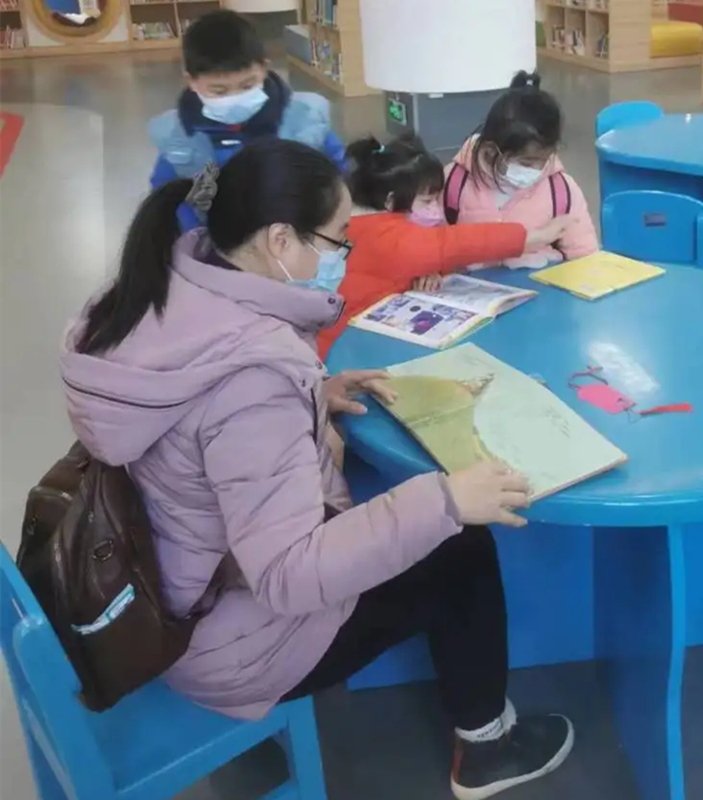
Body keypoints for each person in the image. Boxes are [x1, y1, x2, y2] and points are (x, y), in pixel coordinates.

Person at [60, 139, 574, 800]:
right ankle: (487, 748)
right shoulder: (252, 378)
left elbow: (200, 427)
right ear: (280, 240)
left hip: (164, 588)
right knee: (460, 546)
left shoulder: (168, 287)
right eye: (337, 241)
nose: (344, 256)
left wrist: (312, 394)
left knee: (428, 523)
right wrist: (445, 500)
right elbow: (287, 576)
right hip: (233, 642)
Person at [316, 133, 575, 357]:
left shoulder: (357, 222)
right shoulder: (386, 236)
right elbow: (454, 244)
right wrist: (532, 237)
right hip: (339, 353)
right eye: (427, 201)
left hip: (349, 340)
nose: (436, 210)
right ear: (391, 201)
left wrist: (428, 273)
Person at [148, 9, 346, 231]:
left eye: (247, 85)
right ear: (191, 81)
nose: (235, 98)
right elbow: (166, 197)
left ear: (264, 68)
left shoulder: (304, 118)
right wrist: (196, 236)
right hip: (213, 241)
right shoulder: (179, 136)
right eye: (219, 91)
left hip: (298, 237)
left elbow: (339, 173)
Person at [445, 71, 598, 268]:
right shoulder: (455, 183)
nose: (537, 169)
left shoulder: (561, 191)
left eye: (544, 160)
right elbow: (431, 246)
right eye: (526, 163)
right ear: (491, 151)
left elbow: (586, 257)